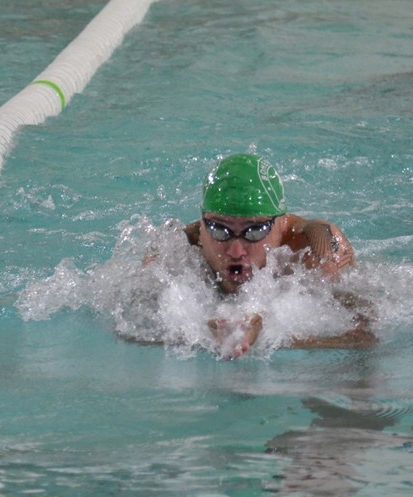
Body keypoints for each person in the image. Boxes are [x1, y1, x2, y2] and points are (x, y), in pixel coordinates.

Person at [156, 152, 369, 358]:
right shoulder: (176, 245)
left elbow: (363, 337)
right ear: (202, 224)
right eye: (219, 229)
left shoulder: (316, 241)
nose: (236, 251)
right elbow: (141, 324)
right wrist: (200, 332)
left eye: (254, 231)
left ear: (281, 222)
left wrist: (269, 333)